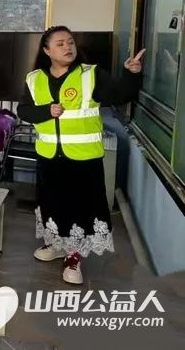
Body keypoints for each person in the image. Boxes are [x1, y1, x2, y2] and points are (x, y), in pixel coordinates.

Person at [17, 26, 143, 285]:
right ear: (47, 51)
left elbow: (120, 95)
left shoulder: (90, 74)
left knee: (79, 208)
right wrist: (46, 111)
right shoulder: (34, 78)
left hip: (83, 159)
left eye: (71, 42)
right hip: (49, 156)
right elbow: (24, 111)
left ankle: (74, 257)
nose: (68, 47)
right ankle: (56, 245)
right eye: (60, 43)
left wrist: (131, 75)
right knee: (52, 203)